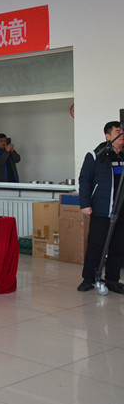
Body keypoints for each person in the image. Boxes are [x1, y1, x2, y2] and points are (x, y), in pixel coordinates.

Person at [77, 121, 124, 294]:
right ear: (108, 136)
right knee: (96, 245)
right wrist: (85, 204)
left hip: (122, 210)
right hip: (102, 208)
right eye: (118, 132)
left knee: (118, 246)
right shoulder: (96, 155)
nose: (122, 135)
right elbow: (85, 180)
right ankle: (89, 278)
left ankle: (112, 280)